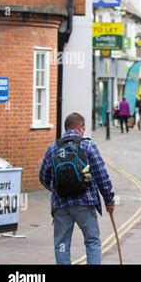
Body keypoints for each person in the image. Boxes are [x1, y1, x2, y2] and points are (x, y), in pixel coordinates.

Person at [39, 113, 115, 265]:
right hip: (84, 202)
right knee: (92, 241)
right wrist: (109, 200)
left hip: (60, 205)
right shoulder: (87, 145)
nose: (84, 130)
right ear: (80, 126)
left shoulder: (52, 148)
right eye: (84, 127)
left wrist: (57, 189)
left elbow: (43, 177)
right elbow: (101, 175)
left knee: (62, 244)